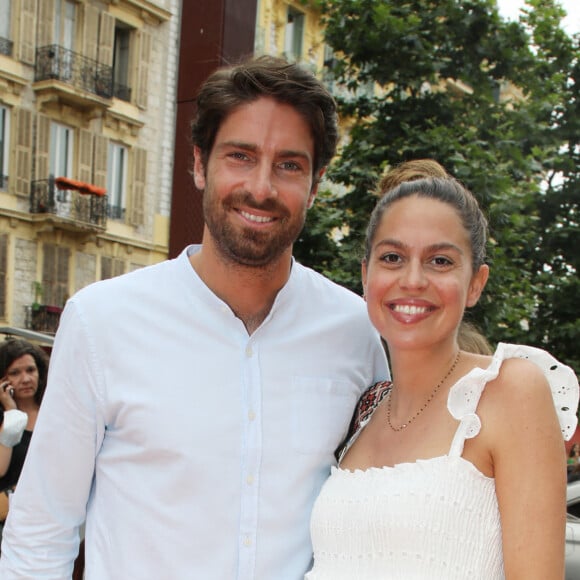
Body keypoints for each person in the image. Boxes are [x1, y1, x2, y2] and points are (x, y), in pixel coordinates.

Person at [0, 56, 388, 578]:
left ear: (316, 184)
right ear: (200, 164)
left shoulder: (356, 330)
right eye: (241, 156)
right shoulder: (102, 322)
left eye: (290, 165)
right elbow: (40, 533)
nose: (262, 187)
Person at [306, 175, 579, 579]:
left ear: (475, 284)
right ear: (366, 276)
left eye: (440, 261)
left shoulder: (509, 390)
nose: (413, 280)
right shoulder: (364, 412)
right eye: (392, 257)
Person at [0, 339, 48, 541]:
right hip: (9, 522)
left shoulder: (53, 413)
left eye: (31, 370)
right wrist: (11, 412)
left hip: (47, 518)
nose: (26, 378)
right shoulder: (4, 417)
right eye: (15, 373)